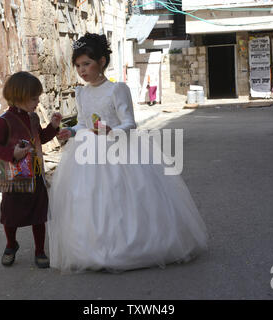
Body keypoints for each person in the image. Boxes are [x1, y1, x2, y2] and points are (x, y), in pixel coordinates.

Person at [48, 33, 208, 273]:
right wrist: (70, 131)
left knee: (122, 198)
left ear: (101, 61)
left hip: (119, 150)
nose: (82, 70)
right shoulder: (81, 93)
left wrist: (112, 131)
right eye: (78, 65)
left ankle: (130, 247)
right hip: (87, 153)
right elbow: (83, 123)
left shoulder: (117, 89)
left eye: (86, 64)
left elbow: (130, 123)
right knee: (89, 200)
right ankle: (93, 248)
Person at [0, 71, 62, 268]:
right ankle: (11, 244)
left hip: (36, 173)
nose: (38, 101)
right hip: (13, 177)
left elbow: (39, 139)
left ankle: (40, 251)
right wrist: (13, 154)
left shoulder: (33, 118)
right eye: (34, 98)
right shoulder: (3, 121)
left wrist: (53, 127)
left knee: (39, 214)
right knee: (11, 216)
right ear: (19, 96)